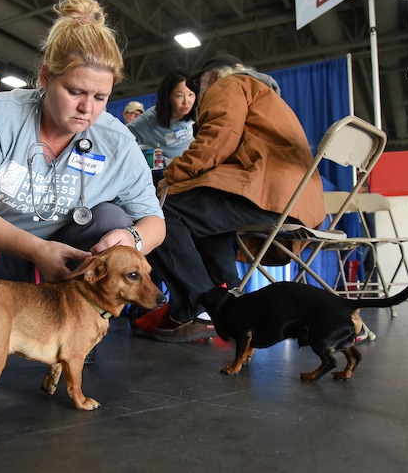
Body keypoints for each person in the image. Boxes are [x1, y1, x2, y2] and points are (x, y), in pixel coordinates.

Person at [0, 0, 166, 372]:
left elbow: (155, 222)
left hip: (64, 272)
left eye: (101, 97)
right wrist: (38, 249)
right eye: (74, 91)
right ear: (45, 77)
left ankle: (80, 335)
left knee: (112, 218)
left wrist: (131, 241)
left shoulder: (117, 141)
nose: (87, 108)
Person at [133, 54, 325, 342]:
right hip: (293, 199)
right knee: (205, 219)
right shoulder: (264, 94)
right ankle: (229, 301)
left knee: (161, 210)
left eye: (197, 91)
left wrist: (169, 177)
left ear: (210, 78)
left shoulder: (229, 85)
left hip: (267, 193)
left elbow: (216, 142)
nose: (196, 99)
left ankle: (199, 307)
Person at [127, 68, 197, 163]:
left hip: (198, 165)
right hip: (172, 172)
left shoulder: (199, 111)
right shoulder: (148, 121)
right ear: (167, 96)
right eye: (179, 96)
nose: (186, 102)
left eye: (191, 94)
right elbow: (121, 139)